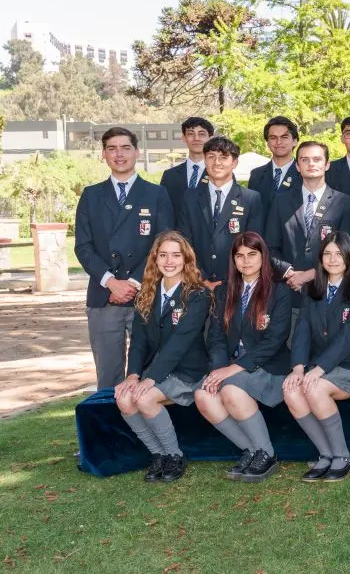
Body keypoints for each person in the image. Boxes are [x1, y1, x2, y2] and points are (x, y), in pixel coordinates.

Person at [75, 127, 174, 389]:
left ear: (137, 152)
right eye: (112, 148)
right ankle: (110, 430)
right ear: (104, 155)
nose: (119, 154)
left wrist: (133, 282)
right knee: (109, 376)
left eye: (125, 147)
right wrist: (111, 282)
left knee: (151, 373)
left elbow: (163, 244)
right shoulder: (91, 195)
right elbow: (83, 247)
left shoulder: (156, 194)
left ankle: (149, 429)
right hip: (103, 295)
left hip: (147, 294)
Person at [113, 231, 210, 483]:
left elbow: (179, 344)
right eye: (163, 255)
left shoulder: (198, 295)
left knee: (144, 398)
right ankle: (158, 455)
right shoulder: (147, 292)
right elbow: (138, 342)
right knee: (124, 398)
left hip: (188, 370)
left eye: (176, 255)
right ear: (154, 259)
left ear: (186, 260)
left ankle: (175, 456)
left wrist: (150, 379)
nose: (169, 261)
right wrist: (133, 375)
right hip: (158, 369)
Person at [284, 231, 350, 482]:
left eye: (339, 253)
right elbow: (302, 328)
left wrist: (318, 369)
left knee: (314, 389)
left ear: (349, 257)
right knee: (292, 391)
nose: (333, 259)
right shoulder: (312, 289)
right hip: (321, 367)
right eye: (327, 253)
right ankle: (326, 455)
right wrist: (298, 367)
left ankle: (343, 456)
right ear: (320, 258)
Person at [196, 232, 291, 482]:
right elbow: (215, 337)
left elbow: (274, 341)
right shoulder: (223, 291)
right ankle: (251, 450)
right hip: (231, 366)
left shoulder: (279, 292)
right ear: (233, 260)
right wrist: (218, 369)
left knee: (230, 391)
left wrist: (232, 370)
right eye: (239, 256)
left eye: (252, 254)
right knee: (203, 395)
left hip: (270, 367)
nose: (245, 261)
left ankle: (267, 454)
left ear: (263, 256)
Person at [265, 141, 350, 308]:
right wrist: (290, 273)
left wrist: (310, 275)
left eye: (317, 159)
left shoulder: (344, 202)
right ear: (297, 166)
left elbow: (347, 250)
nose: (311, 164)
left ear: (327, 164)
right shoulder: (281, 201)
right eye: (305, 160)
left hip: (328, 295)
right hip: (289, 293)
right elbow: (270, 246)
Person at [177, 136, 264, 288]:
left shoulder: (251, 199)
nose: (217, 162)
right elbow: (184, 242)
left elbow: (253, 246)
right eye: (211, 156)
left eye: (223, 157)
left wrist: (234, 280)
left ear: (234, 163)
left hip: (236, 284)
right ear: (205, 160)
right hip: (196, 283)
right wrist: (201, 278)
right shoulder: (188, 197)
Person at [247, 116, 302, 220]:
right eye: (273, 138)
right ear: (267, 142)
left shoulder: (305, 173)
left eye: (284, 137)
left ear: (294, 141)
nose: (278, 142)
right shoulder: (256, 175)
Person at [159, 117, 213, 214]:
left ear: (210, 138)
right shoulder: (169, 176)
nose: (196, 138)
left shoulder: (219, 173)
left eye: (201, 134)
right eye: (190, 133)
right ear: (184, 138)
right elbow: (162, 209)